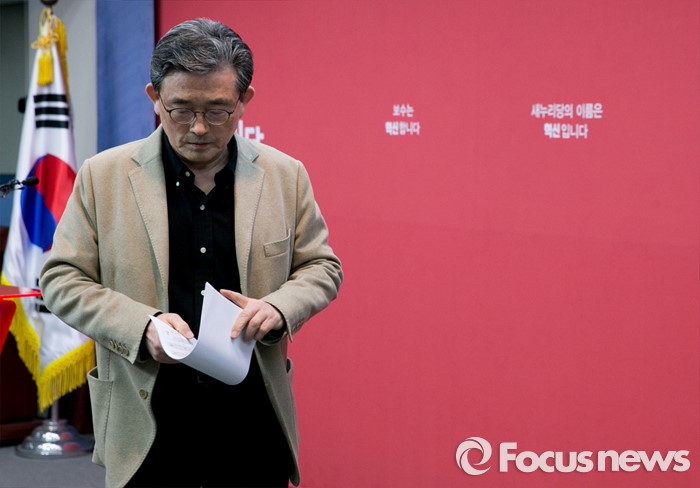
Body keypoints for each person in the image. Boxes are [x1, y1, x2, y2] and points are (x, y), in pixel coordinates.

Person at [40, 18, 342, 488]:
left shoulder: (286, 176)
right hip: (147, 418)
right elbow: (61, 279)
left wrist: (279, 307)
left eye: (218, 111)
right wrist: (142, 326)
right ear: (154, 97)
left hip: (253, 417)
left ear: (244, 101)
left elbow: (321, 266)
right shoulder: (103, 176)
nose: (199, 128)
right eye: (180, 110)